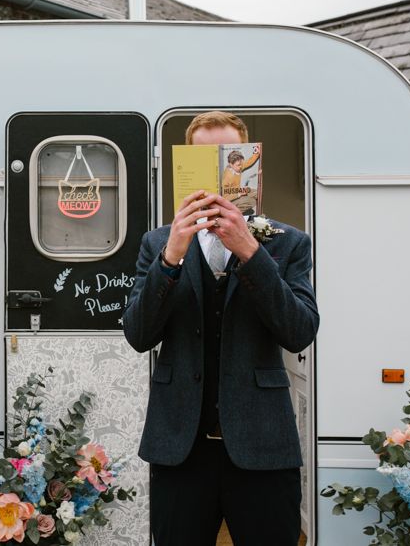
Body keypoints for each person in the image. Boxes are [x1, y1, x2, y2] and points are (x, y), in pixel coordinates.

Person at [123, 111, 320, 546]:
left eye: (229, 155)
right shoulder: (157, 242)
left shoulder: (288, 242)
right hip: (180, 446)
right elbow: (138, 335)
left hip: (262, 442)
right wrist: (171, 257)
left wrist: (251, 252)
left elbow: (300, 330)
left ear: (250, 163)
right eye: (203, 158)